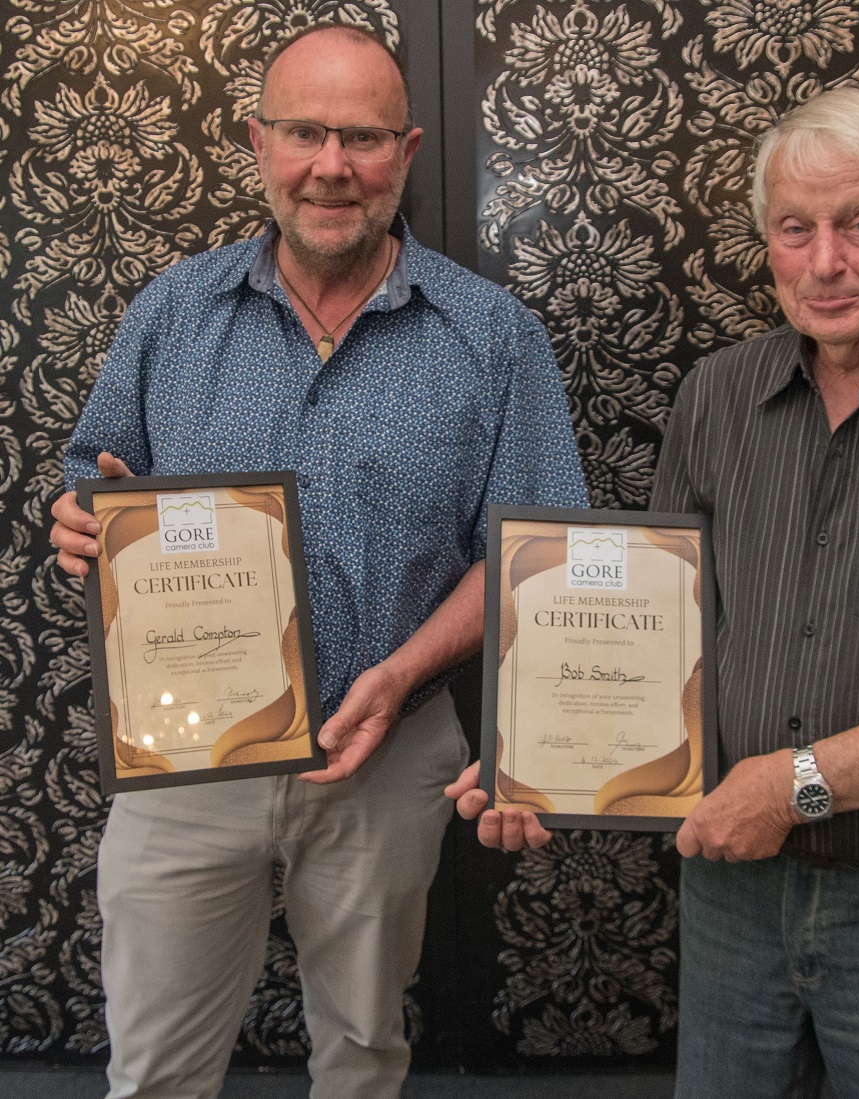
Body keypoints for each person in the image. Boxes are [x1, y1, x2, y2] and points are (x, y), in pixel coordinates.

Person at [450, 87, 859, 1098]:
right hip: (732, 897)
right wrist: (543, 758)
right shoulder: (715, 395)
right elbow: (657, 640)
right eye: (795, 228)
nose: (824, 261)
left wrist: (789, 784)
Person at [50, 23, 586, 1099]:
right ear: (258, 143)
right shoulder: (170, 311)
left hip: (389, 755)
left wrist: (396, 676)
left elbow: (536, 551)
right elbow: (95, 477)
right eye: (303, 132)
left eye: (361, 137)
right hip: (185, 757)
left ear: (408, 150)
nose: (330, 165)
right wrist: (79, 521)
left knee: (364, 1052)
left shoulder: (490, 334)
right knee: (153, 1067)